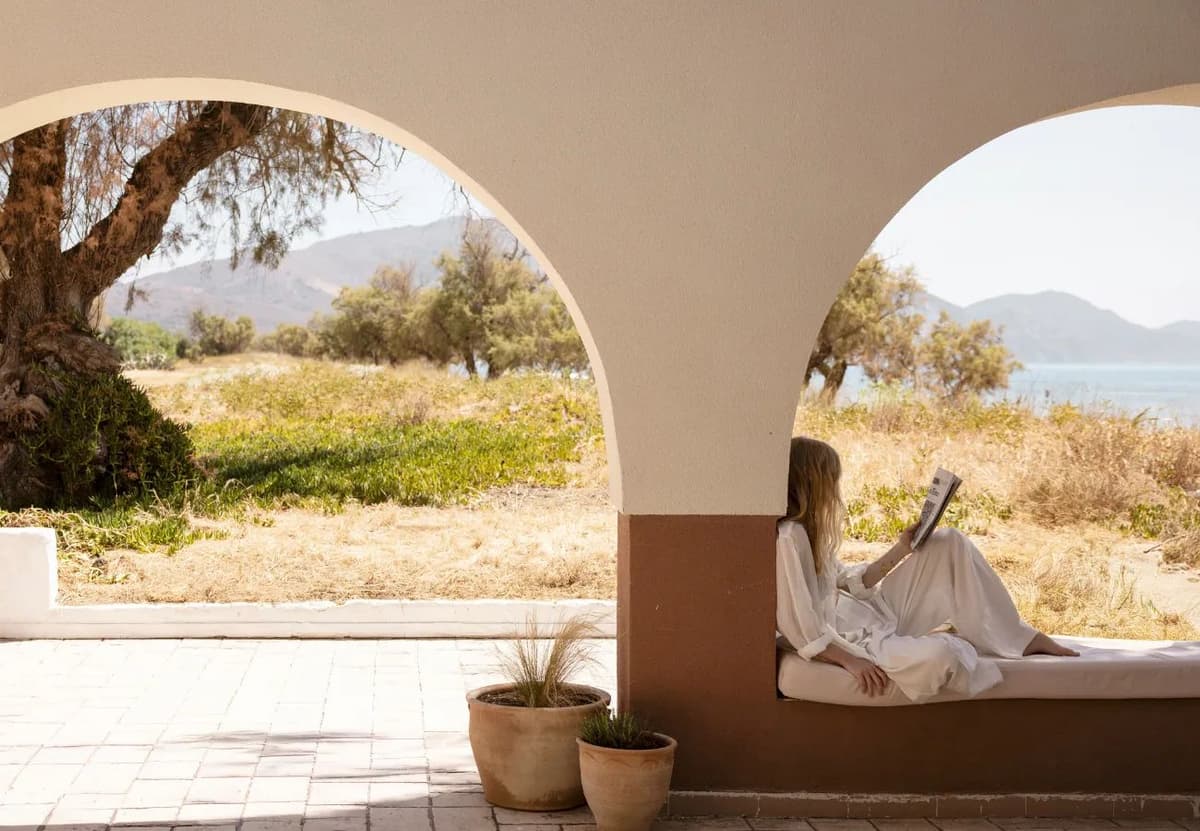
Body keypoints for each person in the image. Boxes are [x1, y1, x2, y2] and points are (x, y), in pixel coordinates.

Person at [777, 436, 1077, 702]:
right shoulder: (790, 537)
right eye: (832, 480)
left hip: (872, 614)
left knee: (950, 541)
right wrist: (850, 661)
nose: (836, 491)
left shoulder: (809, 533)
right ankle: (954, 635)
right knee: (942, 655)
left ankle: (1019, 636)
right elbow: (798, 625)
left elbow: (849, 581)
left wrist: (901, 549)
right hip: (859, 640)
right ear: (812, 482)